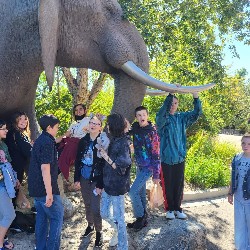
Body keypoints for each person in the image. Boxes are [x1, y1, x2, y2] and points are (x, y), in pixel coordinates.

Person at [156, 92, 202, 219]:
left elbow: (197, 113)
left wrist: (196, 97)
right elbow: (161, 115)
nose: (173, 105)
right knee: (168, 184)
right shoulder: (162, 119)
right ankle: (169, 209)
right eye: (170, 103)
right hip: (166, 159)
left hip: (180, 158)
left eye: (175, 103)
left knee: (179, 184)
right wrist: (170, 94)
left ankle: (177, 208)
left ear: (178, 104)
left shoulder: (182, 118)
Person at [28, 115, 64, 250]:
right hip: (46, 190)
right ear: (49, 127)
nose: (57, 130)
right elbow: (45, 167)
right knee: (56, 219)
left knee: (42, 220)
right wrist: (50, 193)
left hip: (36, 189)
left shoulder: (40, 140)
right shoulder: (47, 142)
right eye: (56, 127)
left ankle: (41, 248)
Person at [99, 113, 132, 250]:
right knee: (104, 213)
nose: (107, 127)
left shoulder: (124, 143)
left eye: (108, 125)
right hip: (108, 184)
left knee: (120, 219)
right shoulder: (114, 137)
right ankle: (118, 230)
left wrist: (106, 156)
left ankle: (123, 246)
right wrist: (100, 119)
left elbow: (121, 168)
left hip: (118, 187)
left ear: (114, 127)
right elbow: (105, 129)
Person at [74, 115, 105, 248]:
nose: (92, 125)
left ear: (100, 127)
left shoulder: (103, 141)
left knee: (95, 207)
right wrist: (76, 179)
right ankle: (90, 225)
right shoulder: (83, 141)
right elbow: (77, 161)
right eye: (91, 122)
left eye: (96, 123)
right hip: (84, 176)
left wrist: (100, 184)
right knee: (87, 204)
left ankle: (99, 231)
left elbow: (104, 165)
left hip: (96, 179)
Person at [127, 106, 160, 231]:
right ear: (136, 117)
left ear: (147, 115)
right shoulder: (135, 128)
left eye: (143, 115)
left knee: (133, 191)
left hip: (149, 167)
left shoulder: (152, 131)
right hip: (139, 165)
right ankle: (143, 218)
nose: (142, 117)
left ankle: (140, 217)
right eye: (139, 115)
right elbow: (125, 132)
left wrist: (156, 175)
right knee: (140, 192)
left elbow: (156, 154)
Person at [228, 133, 250, 250]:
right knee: (240, 227)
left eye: (249, 144)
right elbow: (233, 177)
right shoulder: (237, 158)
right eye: (243, 143)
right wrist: (230, 193)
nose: (245, 146)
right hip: (238, 198)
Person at [57, 104, 90, 180]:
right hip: (70, 142)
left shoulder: (88, 120)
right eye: (76, 110)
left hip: (80, 143)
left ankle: (56, 172)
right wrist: (52, 141)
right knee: (57, 148)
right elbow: (66, 135)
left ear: (85, 111)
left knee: (66, 154)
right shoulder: (74, 124)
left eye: (80, 109)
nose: (78, 111)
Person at [0, 119, 19, 250]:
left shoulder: (3, 145)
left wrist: (15, 179)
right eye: (4, 128)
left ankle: (3, 239)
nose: (6, 131)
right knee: (9, 215)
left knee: (3, 215)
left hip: (6, 184)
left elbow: (9, 163)